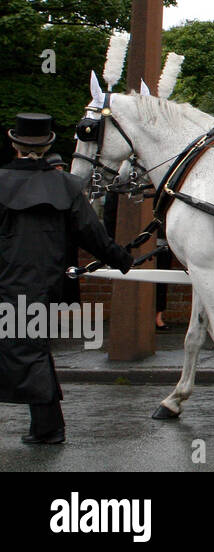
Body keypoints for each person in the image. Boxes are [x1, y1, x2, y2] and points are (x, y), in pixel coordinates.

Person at [1, 113, 135, 445]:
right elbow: (93, 234)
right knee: (29, 348)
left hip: (10, 280)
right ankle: (46, 427)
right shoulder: (66, 186)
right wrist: (121, 259)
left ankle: (49, 428)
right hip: (44, 283)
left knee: (26, 349)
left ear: (13, 143)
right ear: (48, 146)